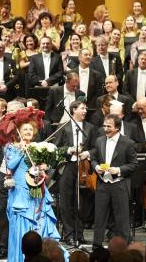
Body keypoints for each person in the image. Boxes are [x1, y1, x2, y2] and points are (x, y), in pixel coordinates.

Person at [0, 107, 64, 262]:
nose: (27, 131)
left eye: (30, 129)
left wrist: (43, 168)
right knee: (23, 225)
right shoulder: (10, 147)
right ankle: (20, 261)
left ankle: (43, 260)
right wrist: (21, 150)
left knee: (41, 222)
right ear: (18, 131)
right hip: (20, 193)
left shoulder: (37, 147)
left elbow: (40, 167)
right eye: (24, 129)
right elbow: (10, 166)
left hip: (37, 190)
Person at [83, 114, 137, 246]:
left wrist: (118, 169)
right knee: (99, 218)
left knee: (122, 219)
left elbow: (133, 164)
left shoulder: (128, 143)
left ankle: (123, 248)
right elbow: (94, 158)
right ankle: (97, 246)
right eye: (104, 125)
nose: (105, 129)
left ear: (117, 127)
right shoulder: (99, 140)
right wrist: (96, 167)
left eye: (109, 126)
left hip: (119, 184)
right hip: (102, 184)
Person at [53, 101, 96, 245]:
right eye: (83, 108)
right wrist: (69, 150)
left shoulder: (90, 128)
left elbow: (96, 148)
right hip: (67, 167)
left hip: (84, 167)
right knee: (66, 202)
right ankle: (69, 234)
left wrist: (87, 153)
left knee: (82, 202)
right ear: (73, 110)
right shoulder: (63, 127)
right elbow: (55, 149)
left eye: (86, 108)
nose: (85, 111)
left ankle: (80, 232)